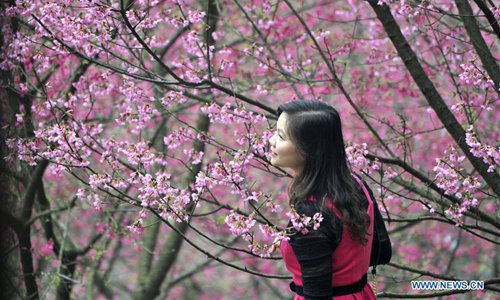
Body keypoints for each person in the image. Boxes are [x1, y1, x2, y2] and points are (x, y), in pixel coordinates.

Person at [269, 100, 387, 299]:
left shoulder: (310, 214)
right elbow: (381, 252)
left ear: (309, 149)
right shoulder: (357, 185)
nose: (271, 140)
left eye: (281, 136)